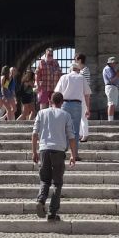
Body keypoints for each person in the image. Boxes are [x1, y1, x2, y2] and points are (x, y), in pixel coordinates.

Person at [31, 91, 78, 223]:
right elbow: (72, 137)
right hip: (59, 151)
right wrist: (73, 155)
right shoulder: (66, 115)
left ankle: (41, 200)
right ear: (62, 102)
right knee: (57, 182)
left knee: (45, 179)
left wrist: (34, 152)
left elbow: (34, 134)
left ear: (50, 101)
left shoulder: (41, 113)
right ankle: (52, 212)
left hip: (44, 149)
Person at [53, 55, 92, 144]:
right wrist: (88, 108)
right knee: (76, 129)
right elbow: (87, 94)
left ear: (70, 69)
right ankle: (75, 153)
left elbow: (57, 93)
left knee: (64, 126)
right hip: (78, 103)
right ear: (77, 69)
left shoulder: (63, 77)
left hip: (65, 104)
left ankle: (63, 146)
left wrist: (55, 106)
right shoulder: (81, 77)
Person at [102, 56, 119, 121]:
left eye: (115, 63)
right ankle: (110, 120)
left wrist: (118, 74)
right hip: (111, 86)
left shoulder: (110, 69)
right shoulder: (108, 69)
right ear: (110, 63)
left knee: (112, 103)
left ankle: (111, 119)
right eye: (114, 63)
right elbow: (112, 79)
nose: (115, 64)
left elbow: (114, 78)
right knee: (111, 103)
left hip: (112, 87)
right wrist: (118, 74)